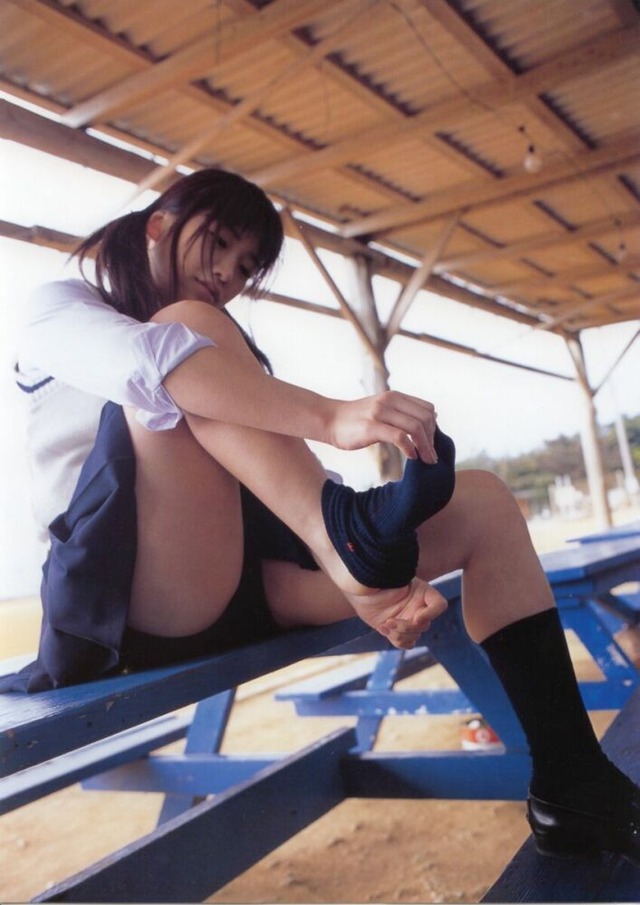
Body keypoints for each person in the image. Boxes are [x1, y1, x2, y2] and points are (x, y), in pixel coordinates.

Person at [6, 168, 639, 867]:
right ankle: (348, 548)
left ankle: (573, 783)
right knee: (188, 335)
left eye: (246, 264)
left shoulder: (214, 342)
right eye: (218, 243)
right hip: (126, 606)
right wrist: (333, 418)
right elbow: (146, 365)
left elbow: (281, 485)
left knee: (484, 504)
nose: (227, 272)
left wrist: (373, 563)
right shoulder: (59, 307)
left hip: (255, 585)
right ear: (158, 225)